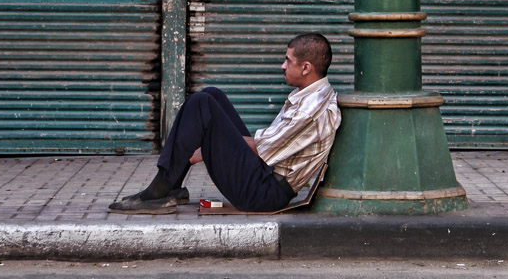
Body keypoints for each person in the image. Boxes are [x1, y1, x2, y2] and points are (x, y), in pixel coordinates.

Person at [108, 32, 341, 214]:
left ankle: (158, 191)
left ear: (306, 67)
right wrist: (214, 144)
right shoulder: (314, 95)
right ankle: (172, 186)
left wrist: (210, 147)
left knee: (201, 103)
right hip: (265, 176)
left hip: (264, 193)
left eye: (288, 60)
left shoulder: (310, 110)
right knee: (212, 95)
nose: (282, 65)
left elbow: (263, 148)